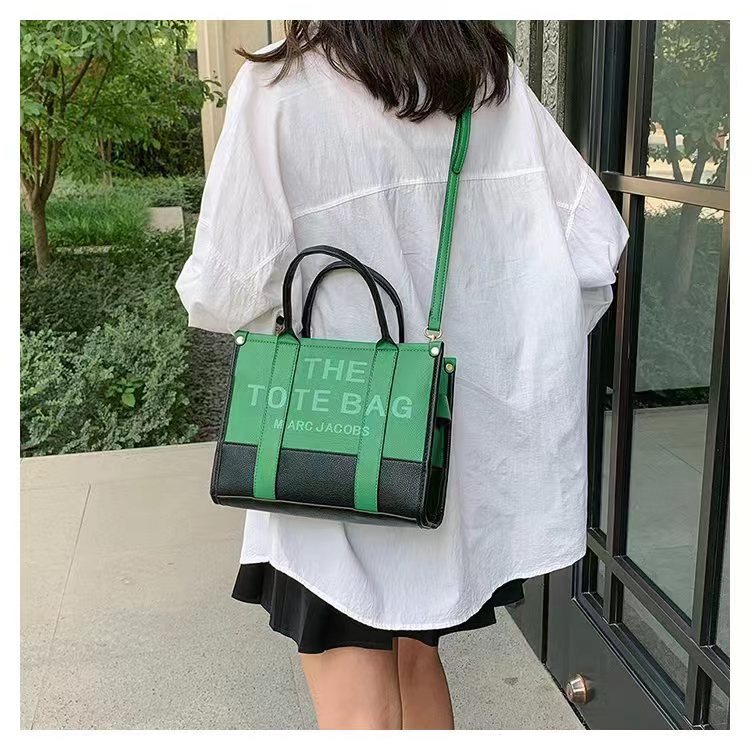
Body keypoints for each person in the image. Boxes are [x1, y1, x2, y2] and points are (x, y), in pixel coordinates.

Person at [176, 20, 628, 730]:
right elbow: (593, 246)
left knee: (358, 700)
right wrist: (502, 346)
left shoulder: (278, 84)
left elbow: (223, 290)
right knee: (416, 663)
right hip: (432, 459)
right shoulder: (484, 80)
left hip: (324, 451)